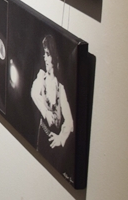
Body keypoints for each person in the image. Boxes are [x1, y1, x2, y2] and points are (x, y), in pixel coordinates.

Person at [30, 35, 75, 174]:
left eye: (48, 54)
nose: (45, 57)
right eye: (44, 53)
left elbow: (69, 121)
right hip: (43, 135)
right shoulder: (41, 78)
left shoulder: (60, 88)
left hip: (54, 143)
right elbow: (34, 93)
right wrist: (46, 112)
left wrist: (61, 138)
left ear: (54, 57)